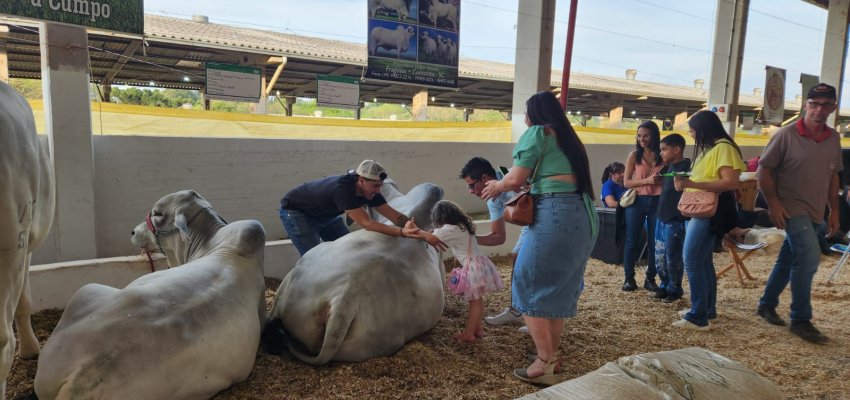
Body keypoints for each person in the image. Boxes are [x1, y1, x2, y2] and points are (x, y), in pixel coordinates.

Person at [481, 91, 598, 386]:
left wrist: (497, 185)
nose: (524, 118)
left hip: (555, 211)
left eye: (526, 113)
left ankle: (544, 362)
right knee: (557, 288)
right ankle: (551, 357)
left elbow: (515, 179)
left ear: (535, 114)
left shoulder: (538, 132)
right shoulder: (571, 139)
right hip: (583, 213)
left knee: (526, 282)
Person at [755, 83, 842, 344]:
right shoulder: (786, 135)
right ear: (806, 105)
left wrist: (834, 211)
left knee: (788, 258)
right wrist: (774, 204)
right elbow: (764, 170)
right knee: (809, 257)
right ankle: (801, 319)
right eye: (814, 104)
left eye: (826, 105)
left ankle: (766, 304)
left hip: (816, 209)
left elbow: (833, 176)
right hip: (791, 207)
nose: (819, 109)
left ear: (833, 108)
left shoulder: (833, 138)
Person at [279, 159, 446, 256]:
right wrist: (403, 232)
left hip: (326, 216)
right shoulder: (343, 191)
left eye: (380, 185)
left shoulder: (370, 191)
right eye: (375, 186)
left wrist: (421, 232)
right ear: (360, 180)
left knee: (348, 251)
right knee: (313, 257)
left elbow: (395, 216)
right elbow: (368, 224)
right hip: (297, 213)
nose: (378, 190)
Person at [673, 110, 744, 332]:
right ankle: (706, 309)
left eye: (693, 130)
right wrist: (686, 182)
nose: (691, 134)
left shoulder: (724, 148)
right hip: (701, 208)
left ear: (703, 129)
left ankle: (698, 316)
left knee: (692, 260)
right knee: (703, 261)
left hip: (709, 211)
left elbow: (730, 182)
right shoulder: (710, 149)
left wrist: (692, 185)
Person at [458, 157, 526, 326]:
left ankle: (539, 317)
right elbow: (498, 236)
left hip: (549, 215)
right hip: (531, 225)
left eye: (472, 185)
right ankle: (517, 311)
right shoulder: (492, 199)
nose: (471, 191)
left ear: (484, 179)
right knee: (518, 256)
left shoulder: (513, 176)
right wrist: (468, 238)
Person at [430, 200, 505, 343]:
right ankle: (477, 329)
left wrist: (414, 231)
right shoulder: (463, 226)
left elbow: (432, 237)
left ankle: (469, 334)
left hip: (473, 267)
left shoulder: (451, 229)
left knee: (474, 302)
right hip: (481, 263)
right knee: (478, 301)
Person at [622, 121, 663, 292]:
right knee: (632, 240)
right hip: (637, 201)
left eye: (646, 135)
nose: (642, 139)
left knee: (654, 242)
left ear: (654, 136)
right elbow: (626, 182)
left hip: (658, 201)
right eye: (639, 136)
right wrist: (646, 181)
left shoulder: (662, 154)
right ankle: (629, 278)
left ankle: (650, 279)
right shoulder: (634, 155)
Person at [652, 133, 690, 303]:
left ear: (677, 149)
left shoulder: (686, 167)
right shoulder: (668, 167)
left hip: (675, 219)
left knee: (672, 256)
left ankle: (675, 288)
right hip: (662, 216)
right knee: (660, 255)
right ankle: (664, 285)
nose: (661, 153)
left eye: (664, 149)